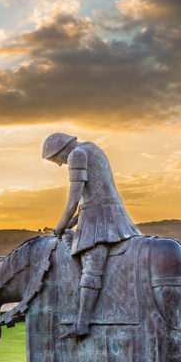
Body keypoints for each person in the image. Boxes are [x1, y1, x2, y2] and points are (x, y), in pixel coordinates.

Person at [42, 133, 141, 339]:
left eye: (55, 160)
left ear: (60, 150)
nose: (59, 165)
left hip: (101, 219)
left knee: (91, 269)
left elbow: (74, 200)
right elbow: (95, 196)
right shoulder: (92, 148)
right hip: (107, 213)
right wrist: (72, 223)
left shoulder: (76, 154)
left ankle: (82, 322)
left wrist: (60, 226)